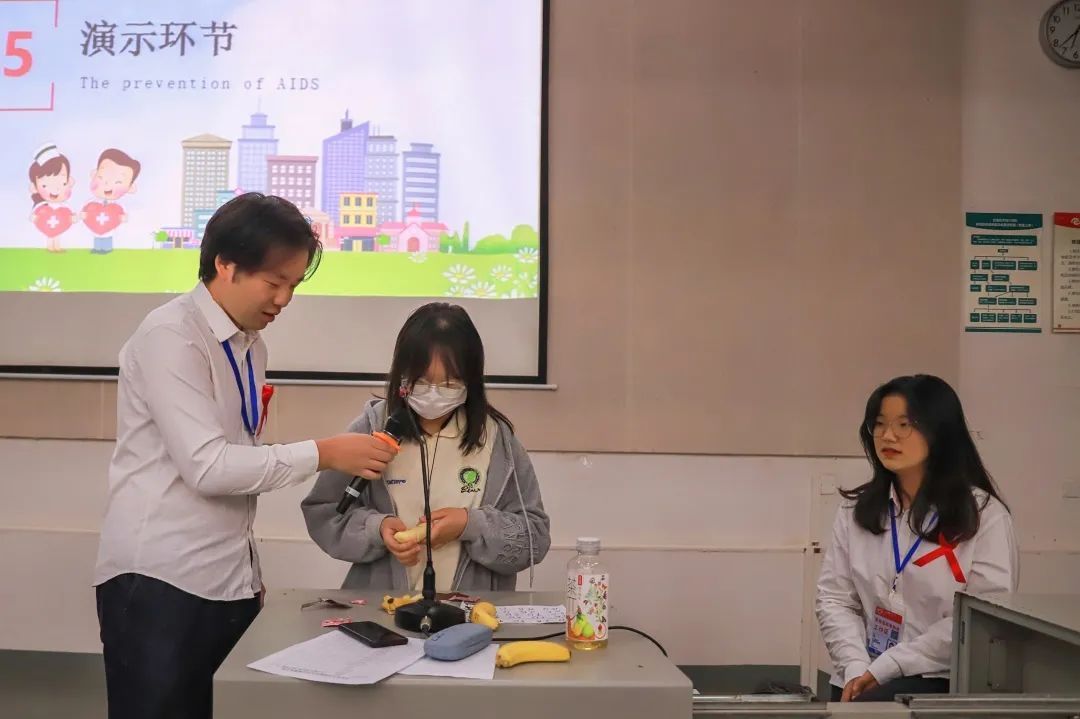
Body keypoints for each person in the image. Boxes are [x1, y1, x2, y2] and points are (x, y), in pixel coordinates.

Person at [93, 193, 399, 719]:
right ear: (225, 264)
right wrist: (325, 453)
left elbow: (239, 462)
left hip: (225, 577)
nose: (284, 299)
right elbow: (209, 467)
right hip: (160, 578)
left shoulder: (250, 345)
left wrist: (248, 574)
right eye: (274, 282)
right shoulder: (171, 336)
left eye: (294, 285)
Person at [302, 302, 551, 592]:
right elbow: (325, 512)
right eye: (421, 382)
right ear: (401, 376)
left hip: (472, 611)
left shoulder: (497, 440)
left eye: (449, 384)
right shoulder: (371, 429)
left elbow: (535, 536)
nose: (433, 394)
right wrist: (377, 529)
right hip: (384, 609)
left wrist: (470, 525)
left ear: (471, 382)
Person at [816, 374, 1018, 702]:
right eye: (879, 424)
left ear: (939, 432)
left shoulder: (984, 516)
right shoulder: (857, 509)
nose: (888, 435)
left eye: (904, 424)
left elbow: (980, 620)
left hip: (937, 680)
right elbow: (834, 598)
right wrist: (854, 666)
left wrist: (890, 665)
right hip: (858, 678)